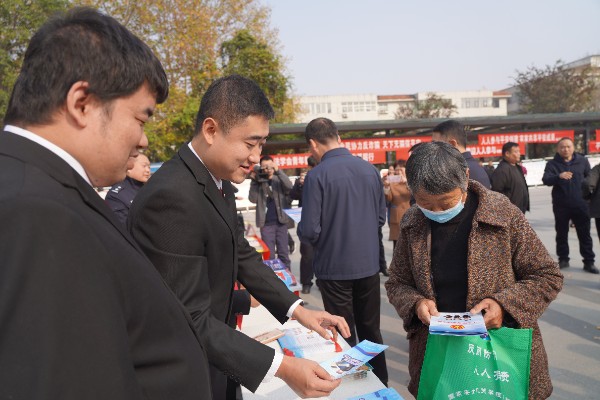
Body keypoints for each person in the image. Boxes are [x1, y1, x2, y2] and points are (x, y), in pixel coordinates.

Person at [0, 7, 213, 398]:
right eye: (141, 119)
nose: (143, 140)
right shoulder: (37, 212)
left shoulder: (43, 188)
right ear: (82, 103)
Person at [128, 75, 350, 400]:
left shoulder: (216, 180)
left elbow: (241, 252)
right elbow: (189, 318)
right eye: (250, 143)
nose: (256, 157)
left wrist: (298, 310)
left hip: (217, 354)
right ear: (211, 130)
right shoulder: (172, 198)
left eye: (261, 144)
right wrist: (282, 367)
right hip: (185, 372)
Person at [385, 141, 563, 399]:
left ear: (465, 178)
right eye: (426, 203)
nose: (437, 212)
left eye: (446, 202)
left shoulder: (502, 214)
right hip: (438, 349)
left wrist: (503, 305)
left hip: (498, 349)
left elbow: (547, 275)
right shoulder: (413, 221)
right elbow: (397, 282)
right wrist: (416, 303)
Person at [298, 117, 389, 385]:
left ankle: (354, 388)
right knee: (371, 329)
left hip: (334, 267)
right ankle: (380, 385)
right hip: (368, 265)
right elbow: (380, 218)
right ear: (338, 137)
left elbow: (310, 230)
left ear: (313, 144)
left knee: (343, 330)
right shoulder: (370, 170)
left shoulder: (317, 176)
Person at [542, 137, 598, 273]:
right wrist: (558, 176)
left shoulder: (582, 161)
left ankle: (589, 261)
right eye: (562, 147)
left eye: (568, 146)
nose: (565, 149)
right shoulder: (552, 164)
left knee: (584, 234)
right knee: (561, 233)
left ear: (573, 148)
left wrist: (589, 198)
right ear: (558, 149)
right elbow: (546, 180)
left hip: (581, 204)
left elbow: (590, 179)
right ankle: (563, 259)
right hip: (561, 205)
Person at [249, 155, 294, 268]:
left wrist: (278, 171)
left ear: (274, 165)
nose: (267, 169)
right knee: (269, 256)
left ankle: (287, 278)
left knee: (284, 254)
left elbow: (289, 187)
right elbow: (252, 199)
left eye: (270, 166)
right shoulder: (258, 181)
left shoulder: (278, 179)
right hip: (266, 224)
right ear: (260, 167)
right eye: (264, 167)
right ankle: (272, 278)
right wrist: (254, 181)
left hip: (281, 222)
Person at [432, 119, 491, 188]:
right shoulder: (475, 167)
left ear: (452, 144)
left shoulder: (457, 171)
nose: (433, 148)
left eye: (436, 144)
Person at [289, 155, 318, 293]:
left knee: (324, 254)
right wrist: (300, 184)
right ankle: (306, 282)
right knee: (307, 253)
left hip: (324, 221)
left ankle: (322, 281)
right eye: (311, 167)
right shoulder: (303, 179)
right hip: (306, 221)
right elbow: (293, 195)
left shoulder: (324, 177)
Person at [105, 153, 151, 224]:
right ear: (129, 167)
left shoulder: (150, 188)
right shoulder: (116, 195)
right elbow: (124, 225)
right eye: (144, 166)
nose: (148, 170)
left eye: (149, 167)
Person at [491, 142, 530, 213]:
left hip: (520, 210)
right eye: (516, 152)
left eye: (519, 151)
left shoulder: (517, 167)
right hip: (509, 212)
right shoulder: (502, 170)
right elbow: (496, 192)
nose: (519, 154)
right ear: (507, 154)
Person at [383, 159, 412, 249]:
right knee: (397, 247)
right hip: (396, 218)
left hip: (410, 216)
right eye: (397, 170)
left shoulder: (411, 182)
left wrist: (406, 182)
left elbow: (415, 195)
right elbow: (388, 198)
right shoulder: (392, 183)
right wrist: (386, 187)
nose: (398, 172)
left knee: (410, 246)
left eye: (401, 169)